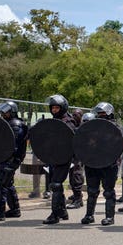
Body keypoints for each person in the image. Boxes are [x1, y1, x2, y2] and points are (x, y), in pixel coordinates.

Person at [0, 101, 28, 222]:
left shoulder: (15, 124)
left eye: (6, 112)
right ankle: (15, 210)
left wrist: (11, 162)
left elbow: (12, 145)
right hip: (6, 158)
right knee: (7, 183)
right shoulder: (7, 123)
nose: (4, 114)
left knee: (0, 183)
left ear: (12, 111)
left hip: (11, 159)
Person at [81, 102, 120, 226]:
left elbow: (118, 143)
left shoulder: (115, 128)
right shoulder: (91, 127)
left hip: (109, 163)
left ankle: (109, 217)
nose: (101, 115)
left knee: (108, 191)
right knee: (92, 190)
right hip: (92, 161)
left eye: (103, 113)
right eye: (99, 113)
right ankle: (89, 215)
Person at [42, 95, 77, 224]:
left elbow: (70, 140)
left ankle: (54, 215)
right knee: (56, 185)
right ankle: (62, 212)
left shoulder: (68, 121)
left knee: (56, 184)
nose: (55, 110)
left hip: (64, 158)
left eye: (57, 108)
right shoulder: (52, 121)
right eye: (53, 108)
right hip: (53, 157)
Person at [67, 108, 85, 209]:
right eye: (73, 115)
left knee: (76, 175)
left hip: (79, 155)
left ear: (81, 116)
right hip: (71, 154)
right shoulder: (72, 125)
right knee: (71, 176)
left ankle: (78, 200)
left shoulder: (83, 126)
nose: (74, 117)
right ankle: (77, 195)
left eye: (76, 115)